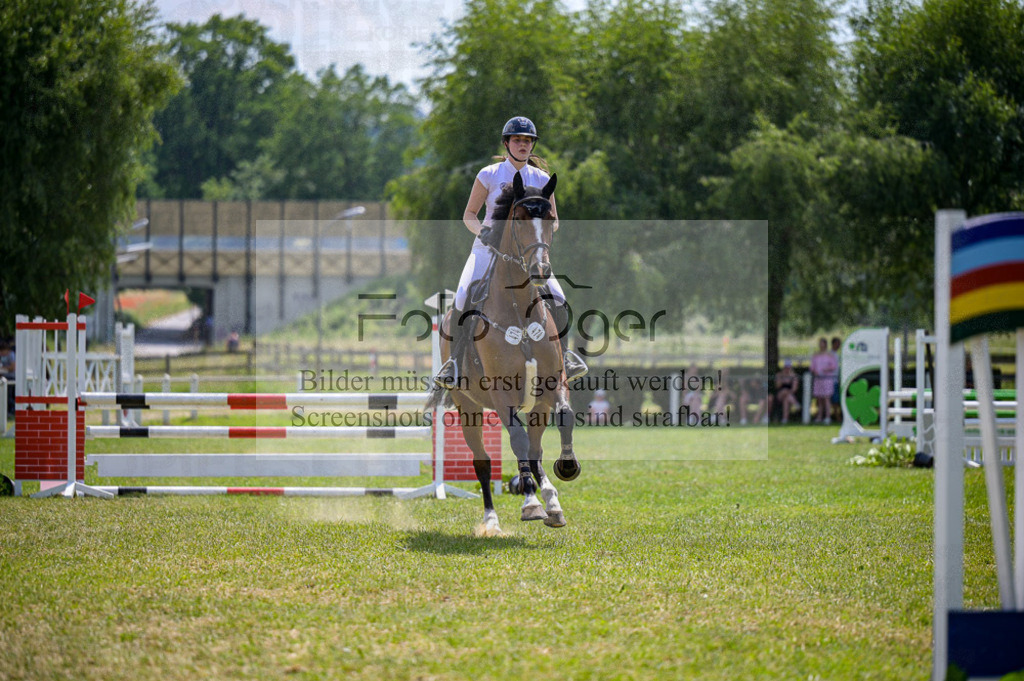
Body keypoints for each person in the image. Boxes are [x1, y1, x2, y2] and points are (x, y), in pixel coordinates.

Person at [434, 116, 588, 387]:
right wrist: (482, 231)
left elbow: (555, 219)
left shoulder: (541, 179)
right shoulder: (489, 174)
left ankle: (566, 358)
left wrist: (542, 243)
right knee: (461, 296)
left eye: (527, 141)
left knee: (560, 298)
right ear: (506, 143)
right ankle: (454, 362)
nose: (523, 145)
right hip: (487, 249)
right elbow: (469, 214)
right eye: (517, 140)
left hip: (529, 255)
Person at [810, 337, 838, 424]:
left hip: (827, 379)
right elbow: (812, 367)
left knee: (826, 398)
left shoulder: (830, 355)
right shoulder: (816, 355)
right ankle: (819, 416)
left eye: (822, 343)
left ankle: (828, 416)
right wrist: (815, 371)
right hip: (818, 379)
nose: (821, 345)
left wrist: (825, 370)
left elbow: (833, 366)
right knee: (819, 399)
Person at [830, 336, 842, 422]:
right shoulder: (830, 354)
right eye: (837, 343)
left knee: (836, 399)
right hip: (830, 380)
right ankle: (836, 416)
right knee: (834, 400)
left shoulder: (837, 355)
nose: (839, 345)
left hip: (835, 379)